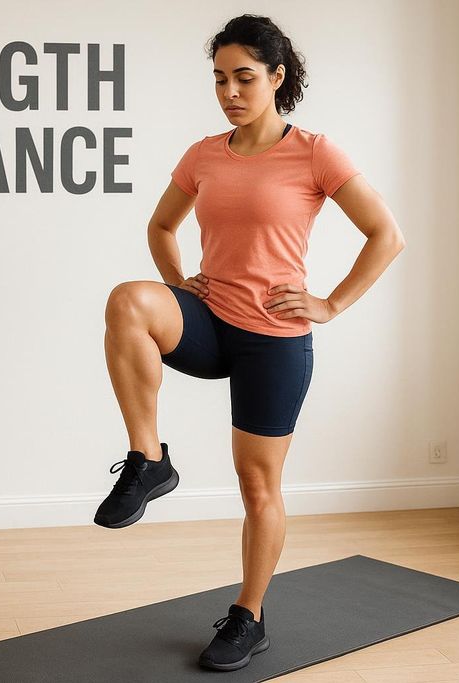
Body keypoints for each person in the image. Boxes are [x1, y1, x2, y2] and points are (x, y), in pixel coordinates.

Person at [94, 13, 405, 672]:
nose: (230, 91)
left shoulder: (315, 152)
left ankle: (249, 614)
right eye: (219, 79)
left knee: (257, 486)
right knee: (128, 300)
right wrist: (181, 287)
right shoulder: (204, 153)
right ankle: (148, 459)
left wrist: (330, 303)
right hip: (209, 324)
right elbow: (161, 224)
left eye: (243, 77)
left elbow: (386, 234)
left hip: (275, 341)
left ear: (276, 77)